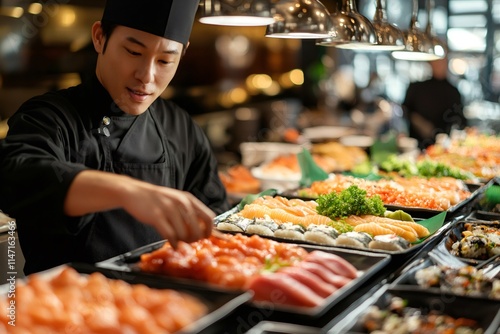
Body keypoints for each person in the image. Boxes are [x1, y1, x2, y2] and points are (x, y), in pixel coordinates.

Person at [0, 0, 230, 275]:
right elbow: (15, 175)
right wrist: (126, 192)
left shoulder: (180, 126)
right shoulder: (51, 117)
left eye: (165, 60)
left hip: (164, 305)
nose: (147, 76)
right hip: (69, 306)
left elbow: (214, 221)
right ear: (99, 37)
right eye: (133, 52)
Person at [402, 57, 466, 149]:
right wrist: (421, 124)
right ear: (430, 62)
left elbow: (460, 121)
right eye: (436, 61)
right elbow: (406, 110)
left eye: (442, 61)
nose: (439, 64)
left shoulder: (453, 91)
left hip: (444, 147)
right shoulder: (416, 88)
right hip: (417, 145)